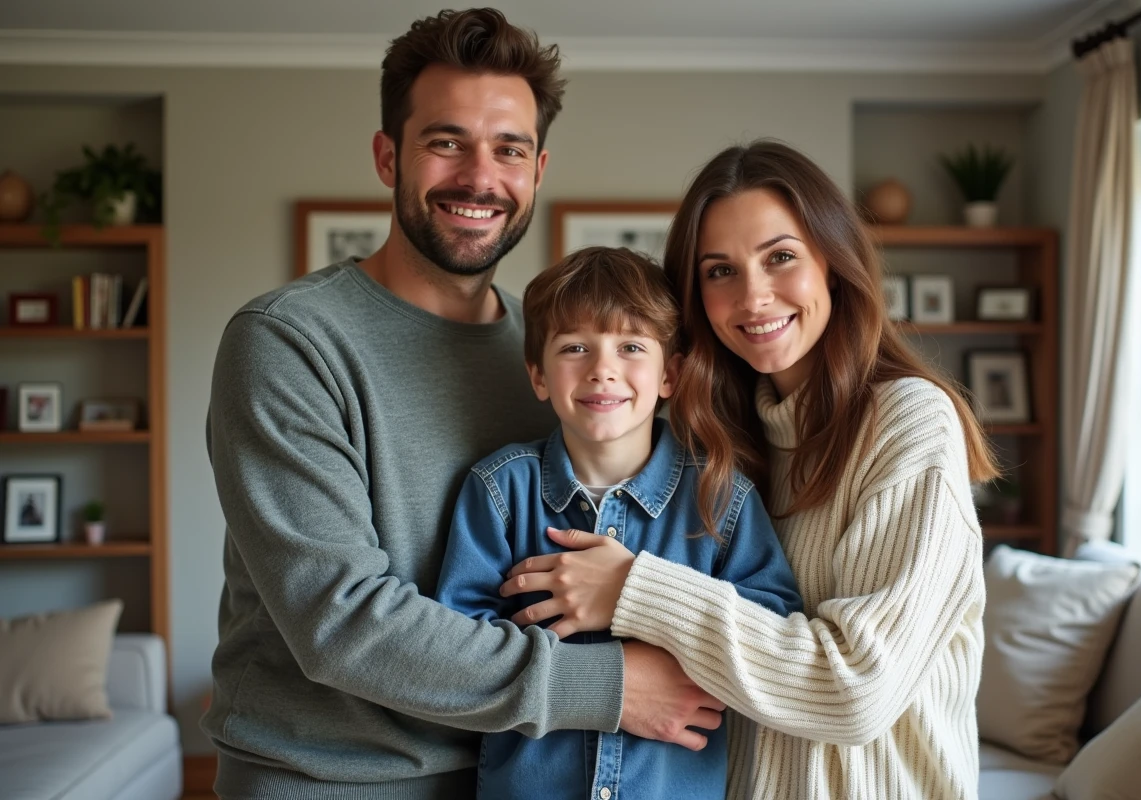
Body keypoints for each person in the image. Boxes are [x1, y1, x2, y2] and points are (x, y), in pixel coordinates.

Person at [201, 10, 723, 799]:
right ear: (388, 157)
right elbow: (341, 623)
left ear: (538, 169)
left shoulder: (561, 356)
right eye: (446, 142)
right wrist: (610, 686)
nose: (480, 178)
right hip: (331, 780)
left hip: (517, 773)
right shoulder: (287, 342)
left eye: (507, 149)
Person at [501, 140, 999, 800]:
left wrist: (633, 589)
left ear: (832, 261)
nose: (754, 296)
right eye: (720, 271)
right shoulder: (720, 441)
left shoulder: (909, 422)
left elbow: (855, 693)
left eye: (780, 258)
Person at [434, 246, 804, 800]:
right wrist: (605, 679)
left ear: (670, 375)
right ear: (538, 375)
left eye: (631, 347)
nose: (602, 369)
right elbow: (459, 654)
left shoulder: (720, 498)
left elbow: (769, 631)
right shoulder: (498, 490)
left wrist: (669, 631)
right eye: (575, 347)